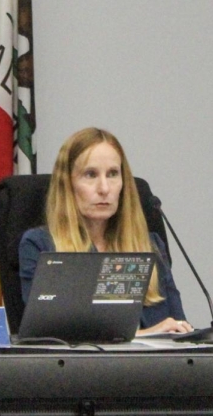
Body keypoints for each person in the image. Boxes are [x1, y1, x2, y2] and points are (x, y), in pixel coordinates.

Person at [19, 127, 191, 336]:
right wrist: (144, 335)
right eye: (90, 174)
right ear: (67, 185)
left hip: (154, 369)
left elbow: (179, 327)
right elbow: (45, 335)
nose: (104, 188)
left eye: (112, 174)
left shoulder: (150, 247)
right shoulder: (41, 246)